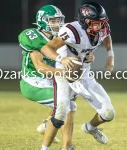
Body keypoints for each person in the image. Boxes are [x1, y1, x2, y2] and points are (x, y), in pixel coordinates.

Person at [40, 2, 115, 149]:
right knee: (61, 112)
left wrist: (110, 54)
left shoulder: (102, 28)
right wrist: (62, 59)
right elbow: (46, 48)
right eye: (95, 24)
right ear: (85, 22)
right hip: (64, 71)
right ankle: (45, 147)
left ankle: (90, 127)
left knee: (109, 113)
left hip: (83, 73)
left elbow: (106, 35)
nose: (99, 27)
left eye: (102, 23)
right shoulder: (72, 31)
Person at [18, 5, 77, 149]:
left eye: (59, 20)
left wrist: (87, 56)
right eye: (53, 21)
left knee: (73, 93)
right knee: (68, 105)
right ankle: (66, 146)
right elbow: (40, 67)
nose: (57, 24)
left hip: (48, 80)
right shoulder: (32, 36)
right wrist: (62, 72)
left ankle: (47, 124)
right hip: (33, 82)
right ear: (42, 21)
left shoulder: (58, 38)